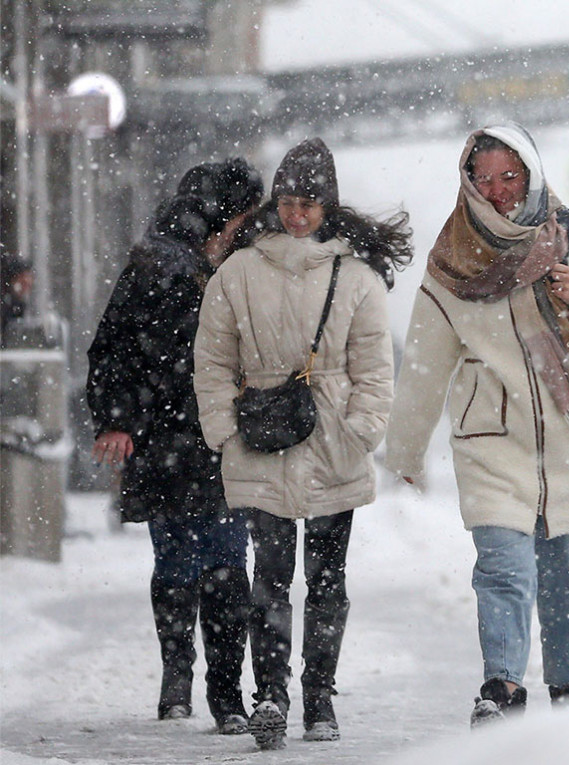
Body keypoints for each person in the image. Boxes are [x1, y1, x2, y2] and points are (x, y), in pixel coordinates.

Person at [384, 122, 569, 727]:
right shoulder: (452, 258)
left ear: (531, 175)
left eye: (510, 176)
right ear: (467, 183)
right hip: (492, 437)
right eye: (483, 179)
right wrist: (404, 450)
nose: (499, 191)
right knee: (502, 570)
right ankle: (501, 688)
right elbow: (428, 361)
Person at [193, 138, 411, 749]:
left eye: (309, 204)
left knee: (327, 581)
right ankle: (272, 695)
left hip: (333, 445)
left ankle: (318, 698)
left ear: (327, 208)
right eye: (287, 201)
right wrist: (224, 431)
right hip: (260, 441)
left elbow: (375, 367)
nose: (296, 214)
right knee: (270, 577)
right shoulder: (238, 272)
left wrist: (362, 429)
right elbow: (211, 358)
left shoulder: (358, 278)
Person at [85, 158, 264, 734]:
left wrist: (120, 418)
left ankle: (187, 682)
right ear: (224, 213)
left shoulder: (180, 260)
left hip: (184, 441)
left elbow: (111, 347)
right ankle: (214, 688)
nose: (247, 226)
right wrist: (119, 418)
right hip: (190, 439)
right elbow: (119, 348)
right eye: (244, 215)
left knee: (190, 563)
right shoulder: (168, 265)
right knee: (217, 565)